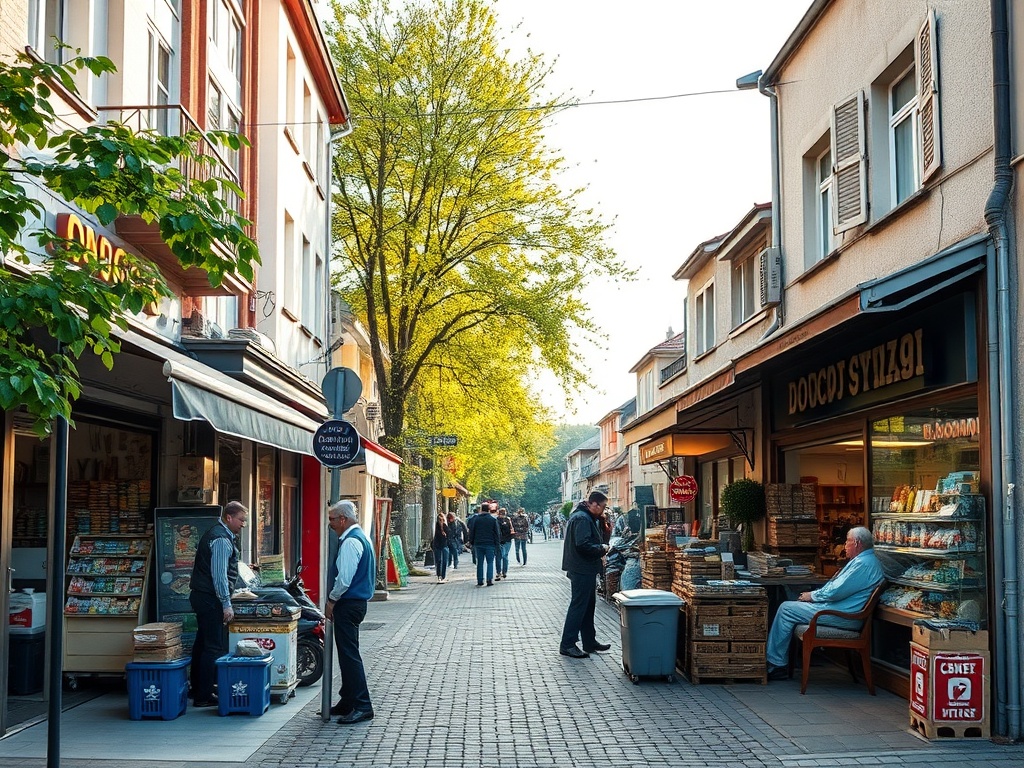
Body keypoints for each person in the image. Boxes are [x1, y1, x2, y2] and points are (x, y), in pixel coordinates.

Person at [765, 526, 885, 680]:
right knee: (790, 606)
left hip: (844, 616)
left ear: (856, 543)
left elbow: (836, 591)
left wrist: (812, 596)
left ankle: (776, 665)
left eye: (847, 541)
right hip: (840, 611)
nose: (845, 545)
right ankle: (778, 662)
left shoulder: (864, 564)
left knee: (786, 609)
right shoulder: (863, 561)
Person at [188, 501, 247, 707]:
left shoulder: (216, 533)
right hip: (210, 598)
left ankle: (196, 689)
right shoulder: (221, 539)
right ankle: (203, 695)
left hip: (201, 595)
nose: (243, 524)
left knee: (202, 643)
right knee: (213, 646)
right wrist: (226, 603)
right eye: (241, 520)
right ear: (229, 518)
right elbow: (219, 576)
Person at [325, 500, 376, 724]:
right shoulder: (362, 538)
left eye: (332, 520)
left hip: (348, 603)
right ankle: (348, 700)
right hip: (357, 602)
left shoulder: (350, 542)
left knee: (349, 655)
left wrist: (331, 600)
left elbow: (344, 578)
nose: (331, 524)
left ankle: (362, 705)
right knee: (347, 654)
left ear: (343, 519)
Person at [559, 491, 612, 658]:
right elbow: (583, 544)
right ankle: (568, 644)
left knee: (588, 606)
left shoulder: (585, 516)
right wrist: (601, 549)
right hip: (581, 568)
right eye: (602, 507)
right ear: (594, 504)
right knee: (579, 606)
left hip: (584, 568)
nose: (603, 510)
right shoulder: (582, 518)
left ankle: (589, 641)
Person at [468, 502, 501, 586]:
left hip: (478, 544)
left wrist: (471, 542)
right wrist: (497, 545)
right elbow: (497, 533)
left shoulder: (476, 519)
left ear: (481, 509)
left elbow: (472, 531)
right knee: (490, 562)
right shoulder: (493, 520)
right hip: (490, 544)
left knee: (480, 562)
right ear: (489, 510)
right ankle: (489, 579)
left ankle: (480, 580)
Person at [496, 507, 514, 579]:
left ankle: (501, 572)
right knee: (503, 556)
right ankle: (502, 572)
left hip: (503, 541)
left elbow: (511, 529)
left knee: (501, 556)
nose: (502, 515)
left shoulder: (499, 520)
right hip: (504, 541)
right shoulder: (506, 520)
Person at [431, 513, 449, 583]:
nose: (440, 521)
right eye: (439, 519)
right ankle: (439, 575)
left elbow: (448, 535)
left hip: (444, 545)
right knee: (438, 561)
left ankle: (443, 575)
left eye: (442, 519)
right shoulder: (436, 526)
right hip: (437, 545)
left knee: (444, 561)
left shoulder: (445, 526)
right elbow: (436, 535)